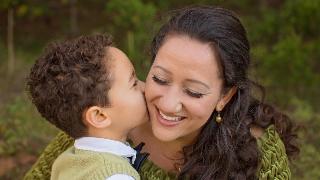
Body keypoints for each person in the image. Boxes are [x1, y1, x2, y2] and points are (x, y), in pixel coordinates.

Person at [24, 6, 299, 180]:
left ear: (224, 97)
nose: (168, 104)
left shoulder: (260, 151)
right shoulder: (104, 123)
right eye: (159, 78)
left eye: (193, 92)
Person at [26, 34, 149, 180]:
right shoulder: (117, 176)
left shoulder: (66, 161)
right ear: (99, 116)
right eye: (133, 83)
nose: (146, 88)